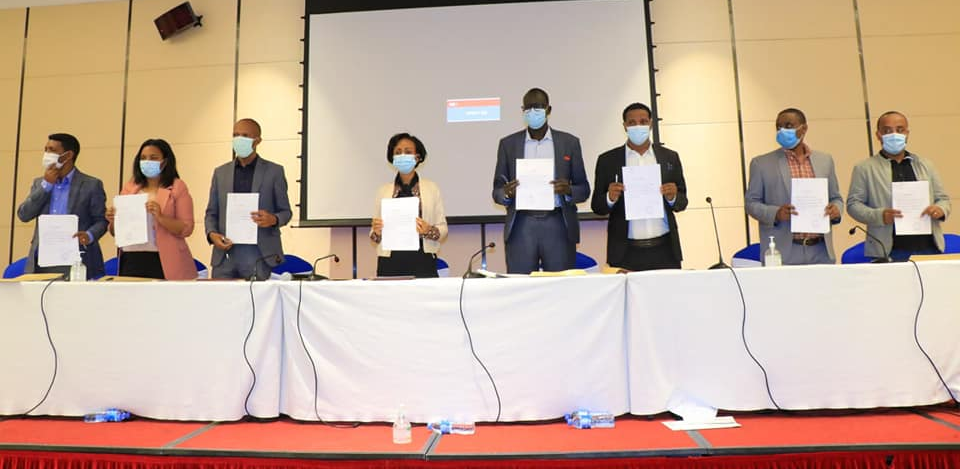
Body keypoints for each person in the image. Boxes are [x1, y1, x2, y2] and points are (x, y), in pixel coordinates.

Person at [492, 87, 590, 274]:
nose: (532, 112)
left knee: (559, 284)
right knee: (520, 285)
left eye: (537, 107)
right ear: (523, 111)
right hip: (522, 225)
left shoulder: (569, 143)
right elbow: (497, 190)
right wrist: (506, 193)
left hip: (558, 223)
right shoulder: (508, 144)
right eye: (528, 108)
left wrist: (568, 190)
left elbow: (584, 189)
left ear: (548, 110)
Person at [591, 103, 687, 271]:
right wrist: (609, 198)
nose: (638, 126)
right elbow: (597, 206)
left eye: (643, 122)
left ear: (650, 123)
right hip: (625, 252)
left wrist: (673, 197)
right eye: (632, 123)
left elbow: (682, 202)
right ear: (625, 126)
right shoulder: (607, 160)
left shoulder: (669, 157)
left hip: (665, 249)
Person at [745, 108, 844, 265]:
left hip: (821, 251)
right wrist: (776, 213)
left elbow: (836, 198)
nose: (782, 131)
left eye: (788, 126)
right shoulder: (761, 164)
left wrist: (836, 209)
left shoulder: (825, 160)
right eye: (778, 127)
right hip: (783, 252)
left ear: (803, 129)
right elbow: (751, 204)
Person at [847, 111, 950, 261]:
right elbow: (853, 205)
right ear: (878, 135)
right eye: (887, 130)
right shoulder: (864, 168)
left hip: (929, 247)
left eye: (900, 129)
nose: (894, 134)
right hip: (889, 250)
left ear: (907, 133)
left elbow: (943, 199)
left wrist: (940, 209)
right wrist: (880, 216)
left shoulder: (925, 165)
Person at [204, 118, 292, 280]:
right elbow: (211, 213)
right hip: (225, 255)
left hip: (260, 254)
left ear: (257, 141)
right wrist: (212, 234)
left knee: (259, 297)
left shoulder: (274, 172)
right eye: (235, 135)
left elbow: (286, 212)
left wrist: (273, 219)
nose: (239, 139)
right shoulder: (220, 173)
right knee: (221, 296)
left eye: (245, 135)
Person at [17, 133, 107, 279]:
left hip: (77, 259)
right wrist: (46, 186)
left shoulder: (91, 185)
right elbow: (24, 214)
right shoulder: (40, 183)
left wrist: (89, 235)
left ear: (68, 155)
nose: (47, 154)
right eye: (45, 149)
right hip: (43, 260)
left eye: (52, 150)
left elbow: (101, 220)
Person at [105, 139, 197, 279]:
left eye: (153, 158)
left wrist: (160, 217)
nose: (147, 162)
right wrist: (113, 220)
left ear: (165, 162)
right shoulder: (130, 187)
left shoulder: (177, 187)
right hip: (132, 257)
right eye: (143, 158)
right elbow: (115, 232)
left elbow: (186, 228)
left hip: (164, 259)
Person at [370, 133, 448, 278]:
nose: (402, 155)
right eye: (398, 152)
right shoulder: (383, 191)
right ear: (392, 158)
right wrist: (377, 232)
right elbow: (374, 235)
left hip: (422, 259)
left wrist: (428, 230)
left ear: (417, 157)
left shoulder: (431, 188)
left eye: (408, 151)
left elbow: (443, 230)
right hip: (389, 260)